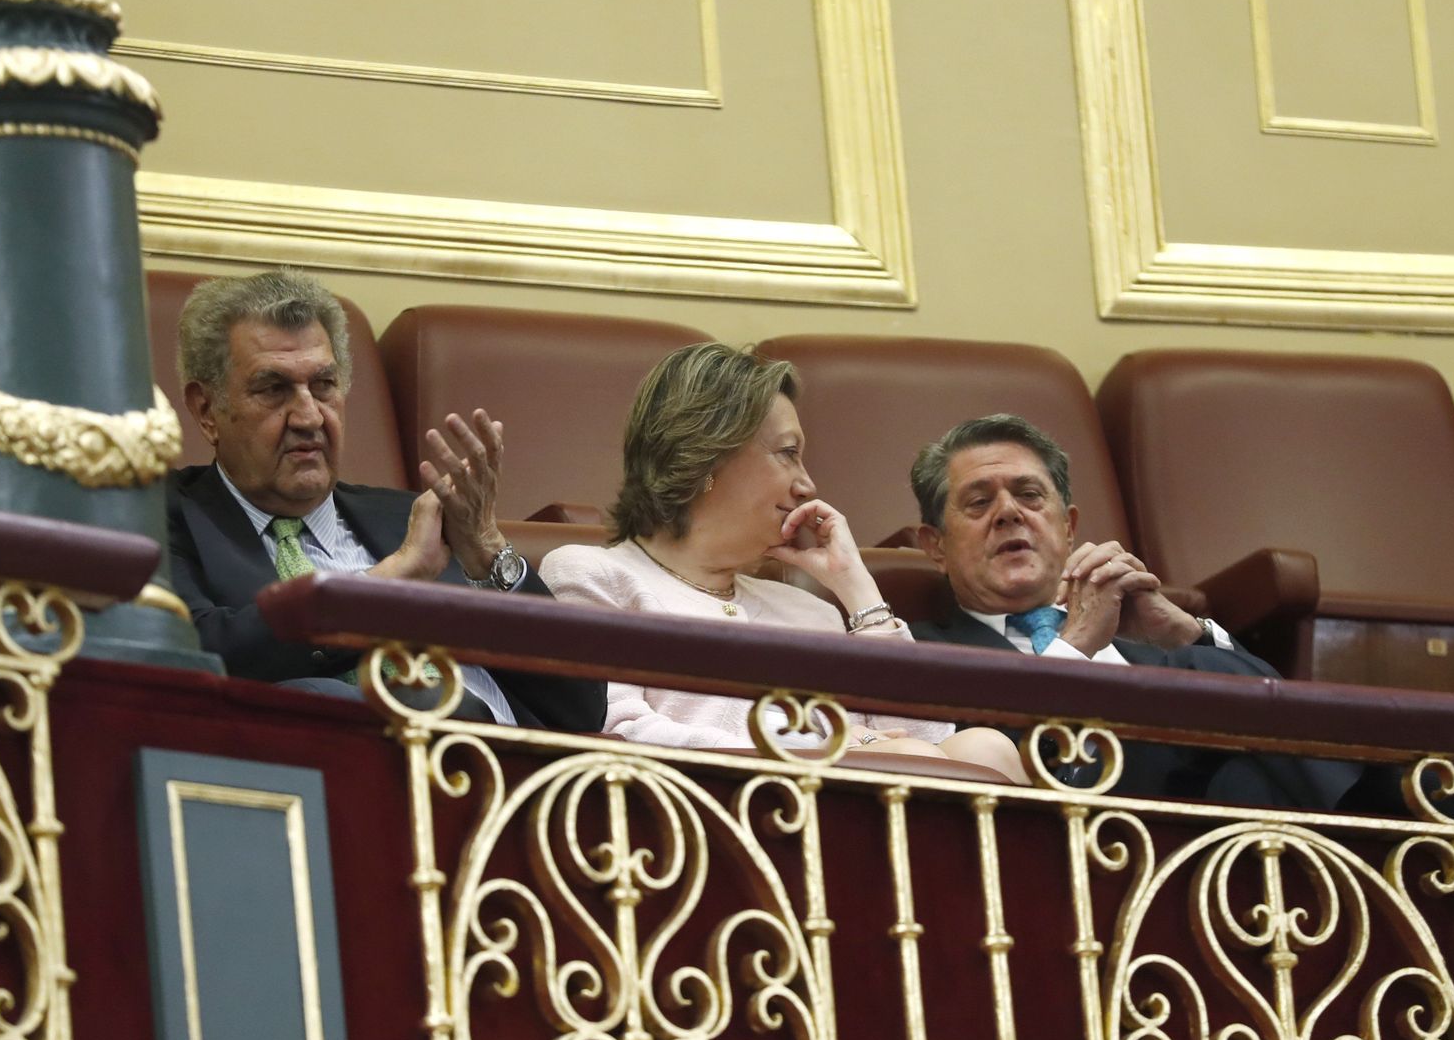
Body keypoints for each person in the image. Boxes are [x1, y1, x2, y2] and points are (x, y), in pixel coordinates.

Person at [539, 344, 1025, 782]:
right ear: (706, 457)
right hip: (705, 817)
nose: (807, 485)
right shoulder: (593, 575)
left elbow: (927, 739)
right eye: (788, 454)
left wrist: (857, 587)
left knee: (986, 750)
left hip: (846, 815)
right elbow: (617, 729)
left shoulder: (810, 612)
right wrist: (818, 752)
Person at [166, 268, 603, 732]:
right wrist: (391, 583)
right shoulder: (163, 513)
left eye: (324, 385)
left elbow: (581, 706)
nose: (309, 417)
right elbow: (191, 658)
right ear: (207, 410)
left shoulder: (413, 516)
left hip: (521, 763)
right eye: (273, 389)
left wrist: (487, 548)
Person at [908, 414, 1361, 807]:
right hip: (1078, 835)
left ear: (1068, 527)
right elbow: (997, 761)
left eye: (1029, 495)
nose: (1009, 513)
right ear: (936, 546)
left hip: (1212, 844)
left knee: (1248, 775)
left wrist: (1183, 634)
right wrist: (1075, 647)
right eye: (980, 502)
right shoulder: (920, 653)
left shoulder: (1155, 645)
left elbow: (1280, 715)